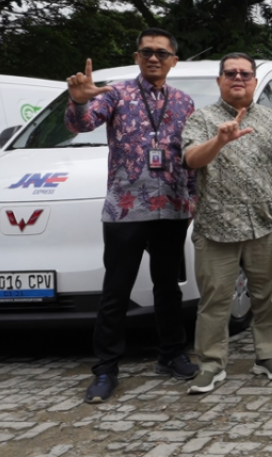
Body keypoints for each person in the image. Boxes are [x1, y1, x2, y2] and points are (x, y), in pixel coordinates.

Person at [65, 28, 199, 403]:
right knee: (116, 290)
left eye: (161, 52)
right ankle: (106, 369)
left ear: (174, 60)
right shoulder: (116, 93)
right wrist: (77, 102)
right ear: (137, 57)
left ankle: (171, 355)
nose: (153, 58)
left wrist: (194, 199)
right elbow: (83, 123)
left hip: (171, 209)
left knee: (167, 288)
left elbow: (188, 158)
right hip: (125, 209)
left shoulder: (185, 103)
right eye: (146, 52)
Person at [181, 53, 272, 393]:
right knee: (215, 299)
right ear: (219, 80)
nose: (238, 78)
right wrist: (219, 140)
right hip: (216, 224)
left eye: (245, 74)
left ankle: (269, 356)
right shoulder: (201, 120)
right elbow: (190, 160)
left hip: (266, 222)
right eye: (230, 73)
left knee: (269, 296)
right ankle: (211, 364)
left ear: (254, 81)